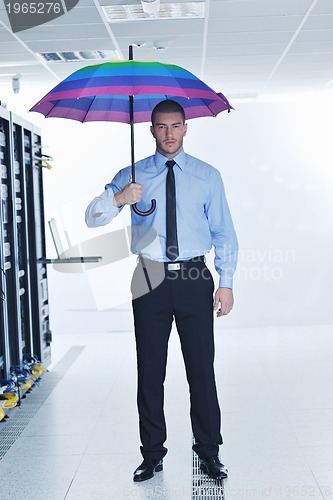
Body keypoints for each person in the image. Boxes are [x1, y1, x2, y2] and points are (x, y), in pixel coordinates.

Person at [85, 99, 238, 482]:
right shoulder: (133, 174)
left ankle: (209, 451)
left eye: (175, 126)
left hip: (193, 278)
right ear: (150, 130)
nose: (169, 133)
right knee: (150, 371)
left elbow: (224, 232)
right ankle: (152, 454)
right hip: (149, 278)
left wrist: (226, 282)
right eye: (161, 126)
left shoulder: (208, 176)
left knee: (201, 369)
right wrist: (121, 198)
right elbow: (91, 217)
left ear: (186, 129)